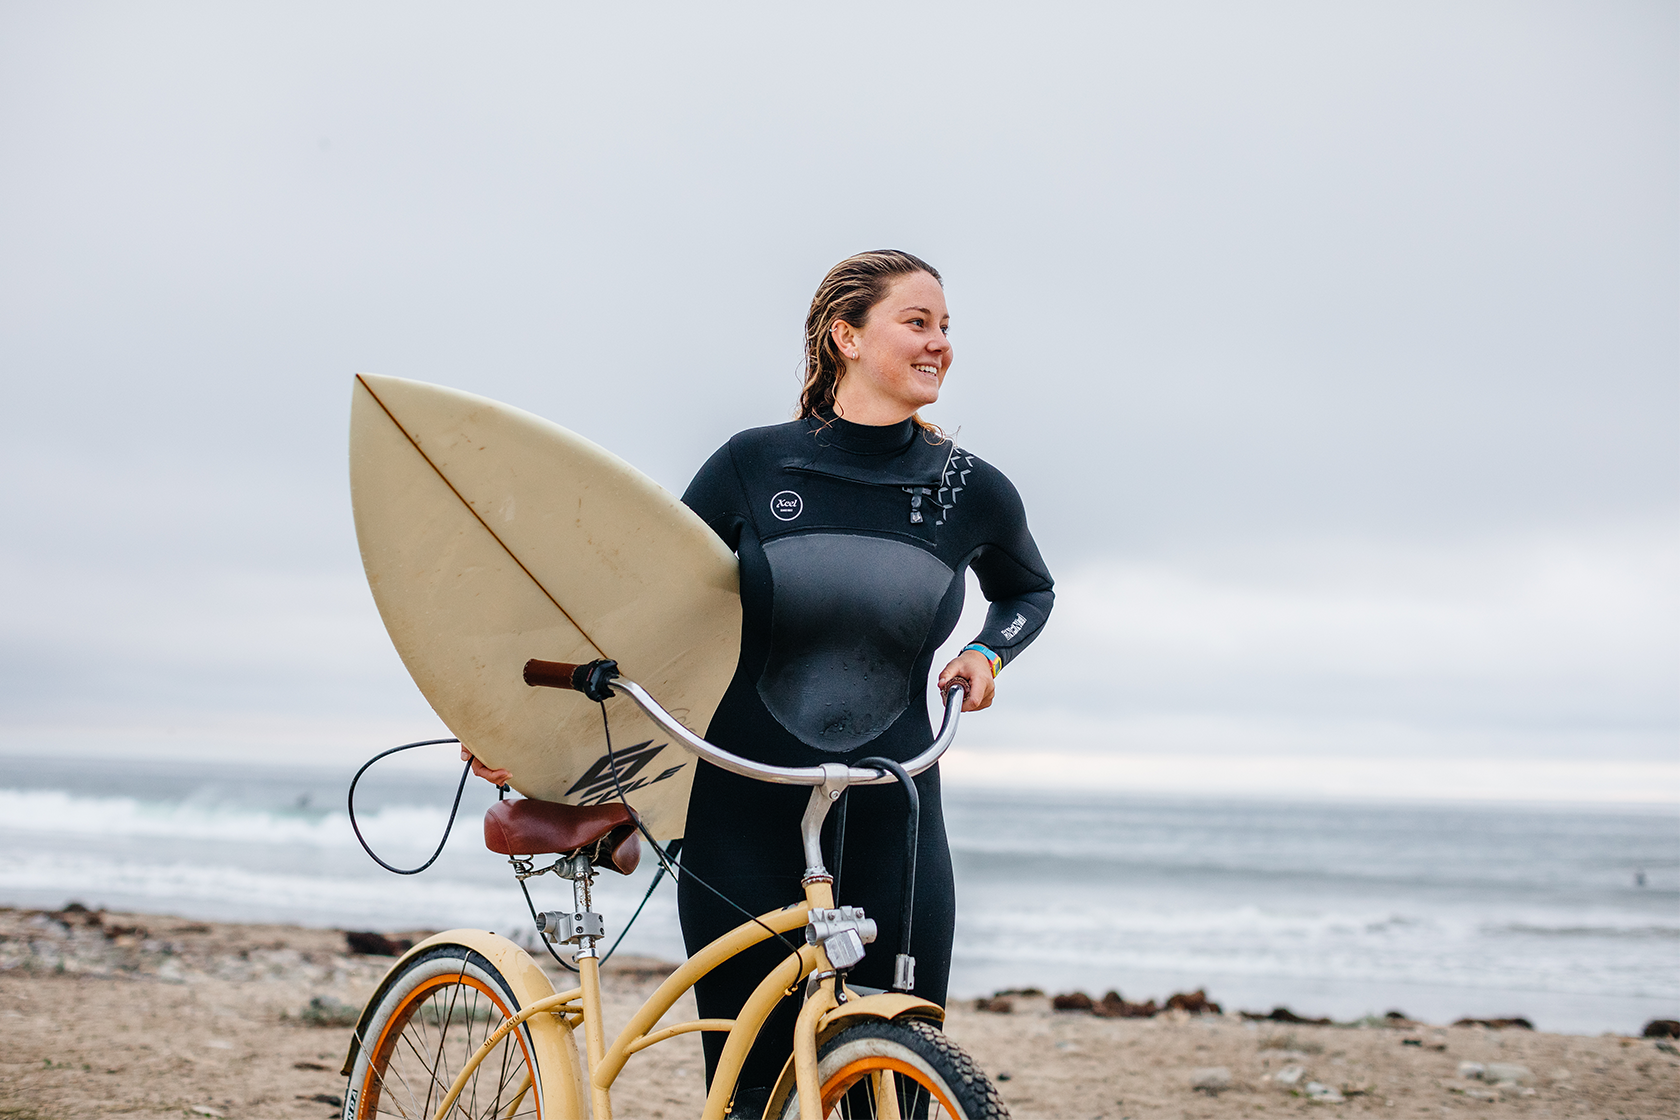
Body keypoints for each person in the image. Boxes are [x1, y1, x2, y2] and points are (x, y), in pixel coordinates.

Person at [467, 249, 1054, 1112]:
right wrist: (522, 726)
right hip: (743, 799)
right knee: (750, 1082)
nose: (939, 345)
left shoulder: (969, 488)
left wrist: (986, 654)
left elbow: (1027, 589)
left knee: (900, 1066)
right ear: (845, 336)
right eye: (917, 322)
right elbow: (645, 604)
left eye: (945, 327)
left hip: (895, 800)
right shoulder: (753, 465)